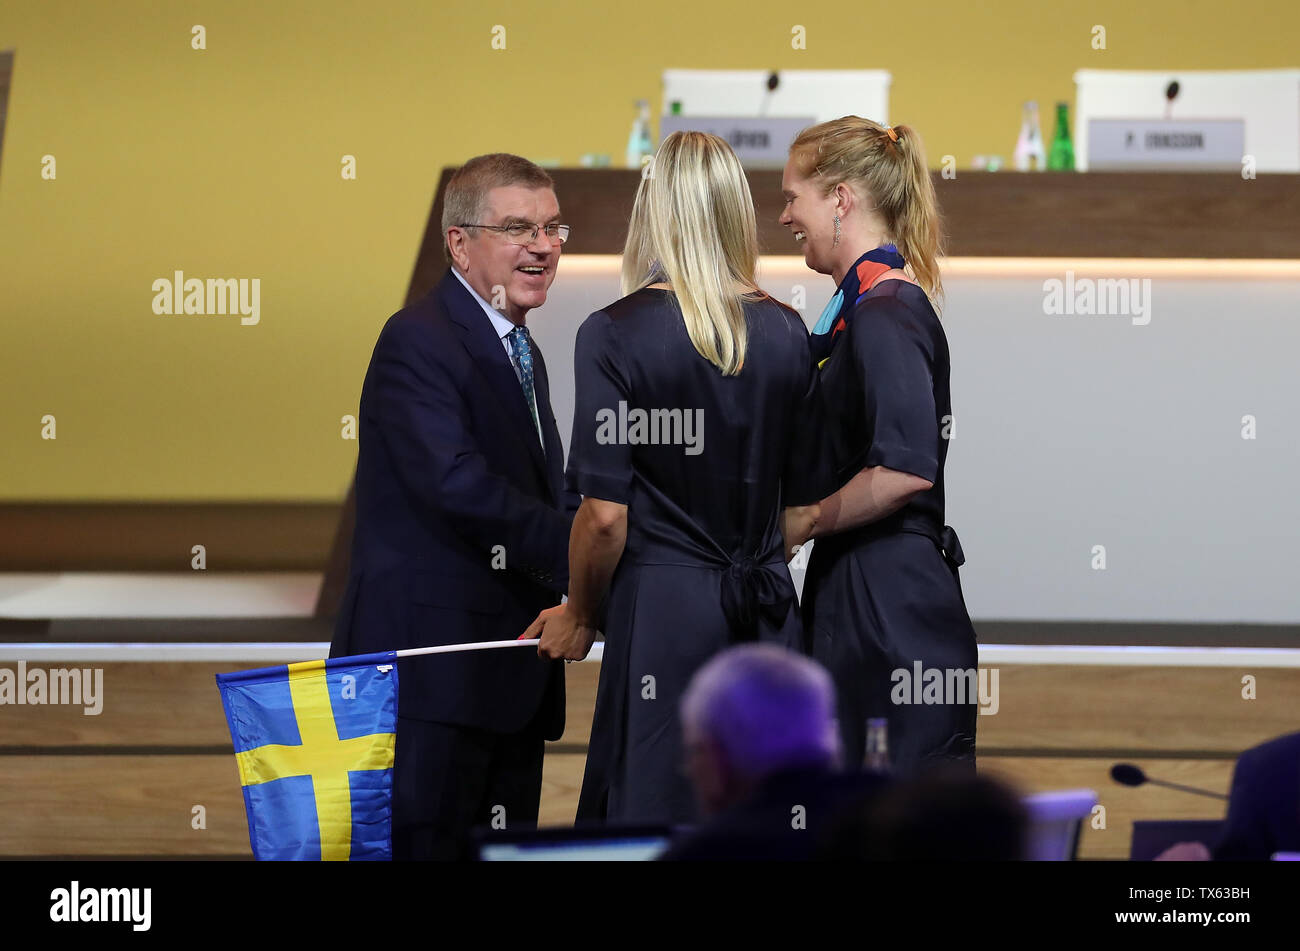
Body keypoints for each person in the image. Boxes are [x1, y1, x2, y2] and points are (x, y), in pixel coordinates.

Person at [521, 131, 827, 825]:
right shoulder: (787, 333)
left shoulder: (613, 333)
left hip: (665, 618)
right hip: (769, 613)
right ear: (733, 213)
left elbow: (603, 515)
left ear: (652, 210)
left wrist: (581, 612)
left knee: (655, 817)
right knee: (766, 820)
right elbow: (803, 512)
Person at [330, 153, 579, 859]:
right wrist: (583, 546)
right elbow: (458, 485)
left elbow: (541, 486)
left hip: (510, 681)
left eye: (552, 225)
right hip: (431, 686)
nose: (544, 244)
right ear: (459, 242)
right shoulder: (417, 341)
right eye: (517, 227)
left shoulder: (520, 346)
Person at [781, 117, 978, 774]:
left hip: (890, 614)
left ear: (840, 198)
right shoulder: (860, 308)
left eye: (792, 197)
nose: (784, 216)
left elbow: (904, 470)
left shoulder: (886, 312)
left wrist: (805, 519)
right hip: (864, 599)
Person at [661, 644, 891, 861]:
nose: (688, 770)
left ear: (715, 759)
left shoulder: (706, 852)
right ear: (831, 740)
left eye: (694, 751)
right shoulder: (905, 816)